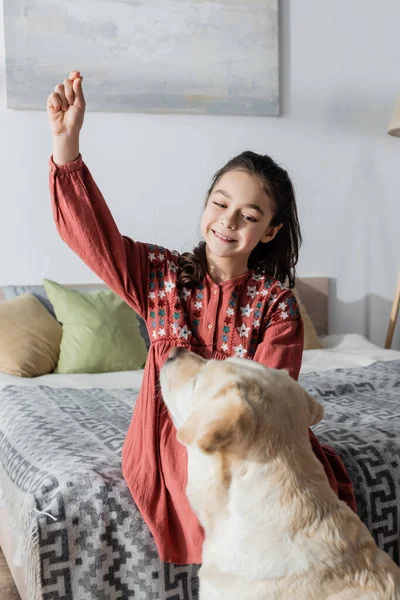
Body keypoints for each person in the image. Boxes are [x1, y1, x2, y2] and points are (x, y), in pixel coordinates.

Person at [47, 70, 356, 565]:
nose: (229, 221)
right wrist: (67, 144)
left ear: (270, 232)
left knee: (305, 509)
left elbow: (269, 403)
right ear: (207, 202)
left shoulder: (277, 305)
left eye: (250, 215)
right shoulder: (158, 275)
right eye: (221, 203)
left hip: (248, 437)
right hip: (171, 437)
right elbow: (92, 237)